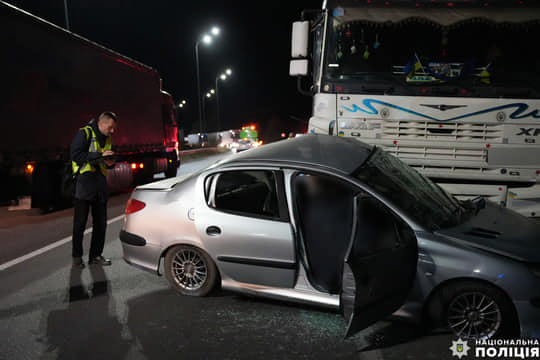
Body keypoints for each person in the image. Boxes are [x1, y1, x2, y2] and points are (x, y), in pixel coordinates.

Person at [70, 111, 117, 268]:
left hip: (100, 184)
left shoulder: (108, 138)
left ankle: (96, 256)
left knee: (101, 223)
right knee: (80, 223)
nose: (112, 131)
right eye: (110, 127)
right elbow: (75, 155)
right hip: (84, 184)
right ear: (101, 123)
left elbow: (105, 160)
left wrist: (110, 162)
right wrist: (98, 155)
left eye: (113, 128)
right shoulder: (84, 133)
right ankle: (77, 257)